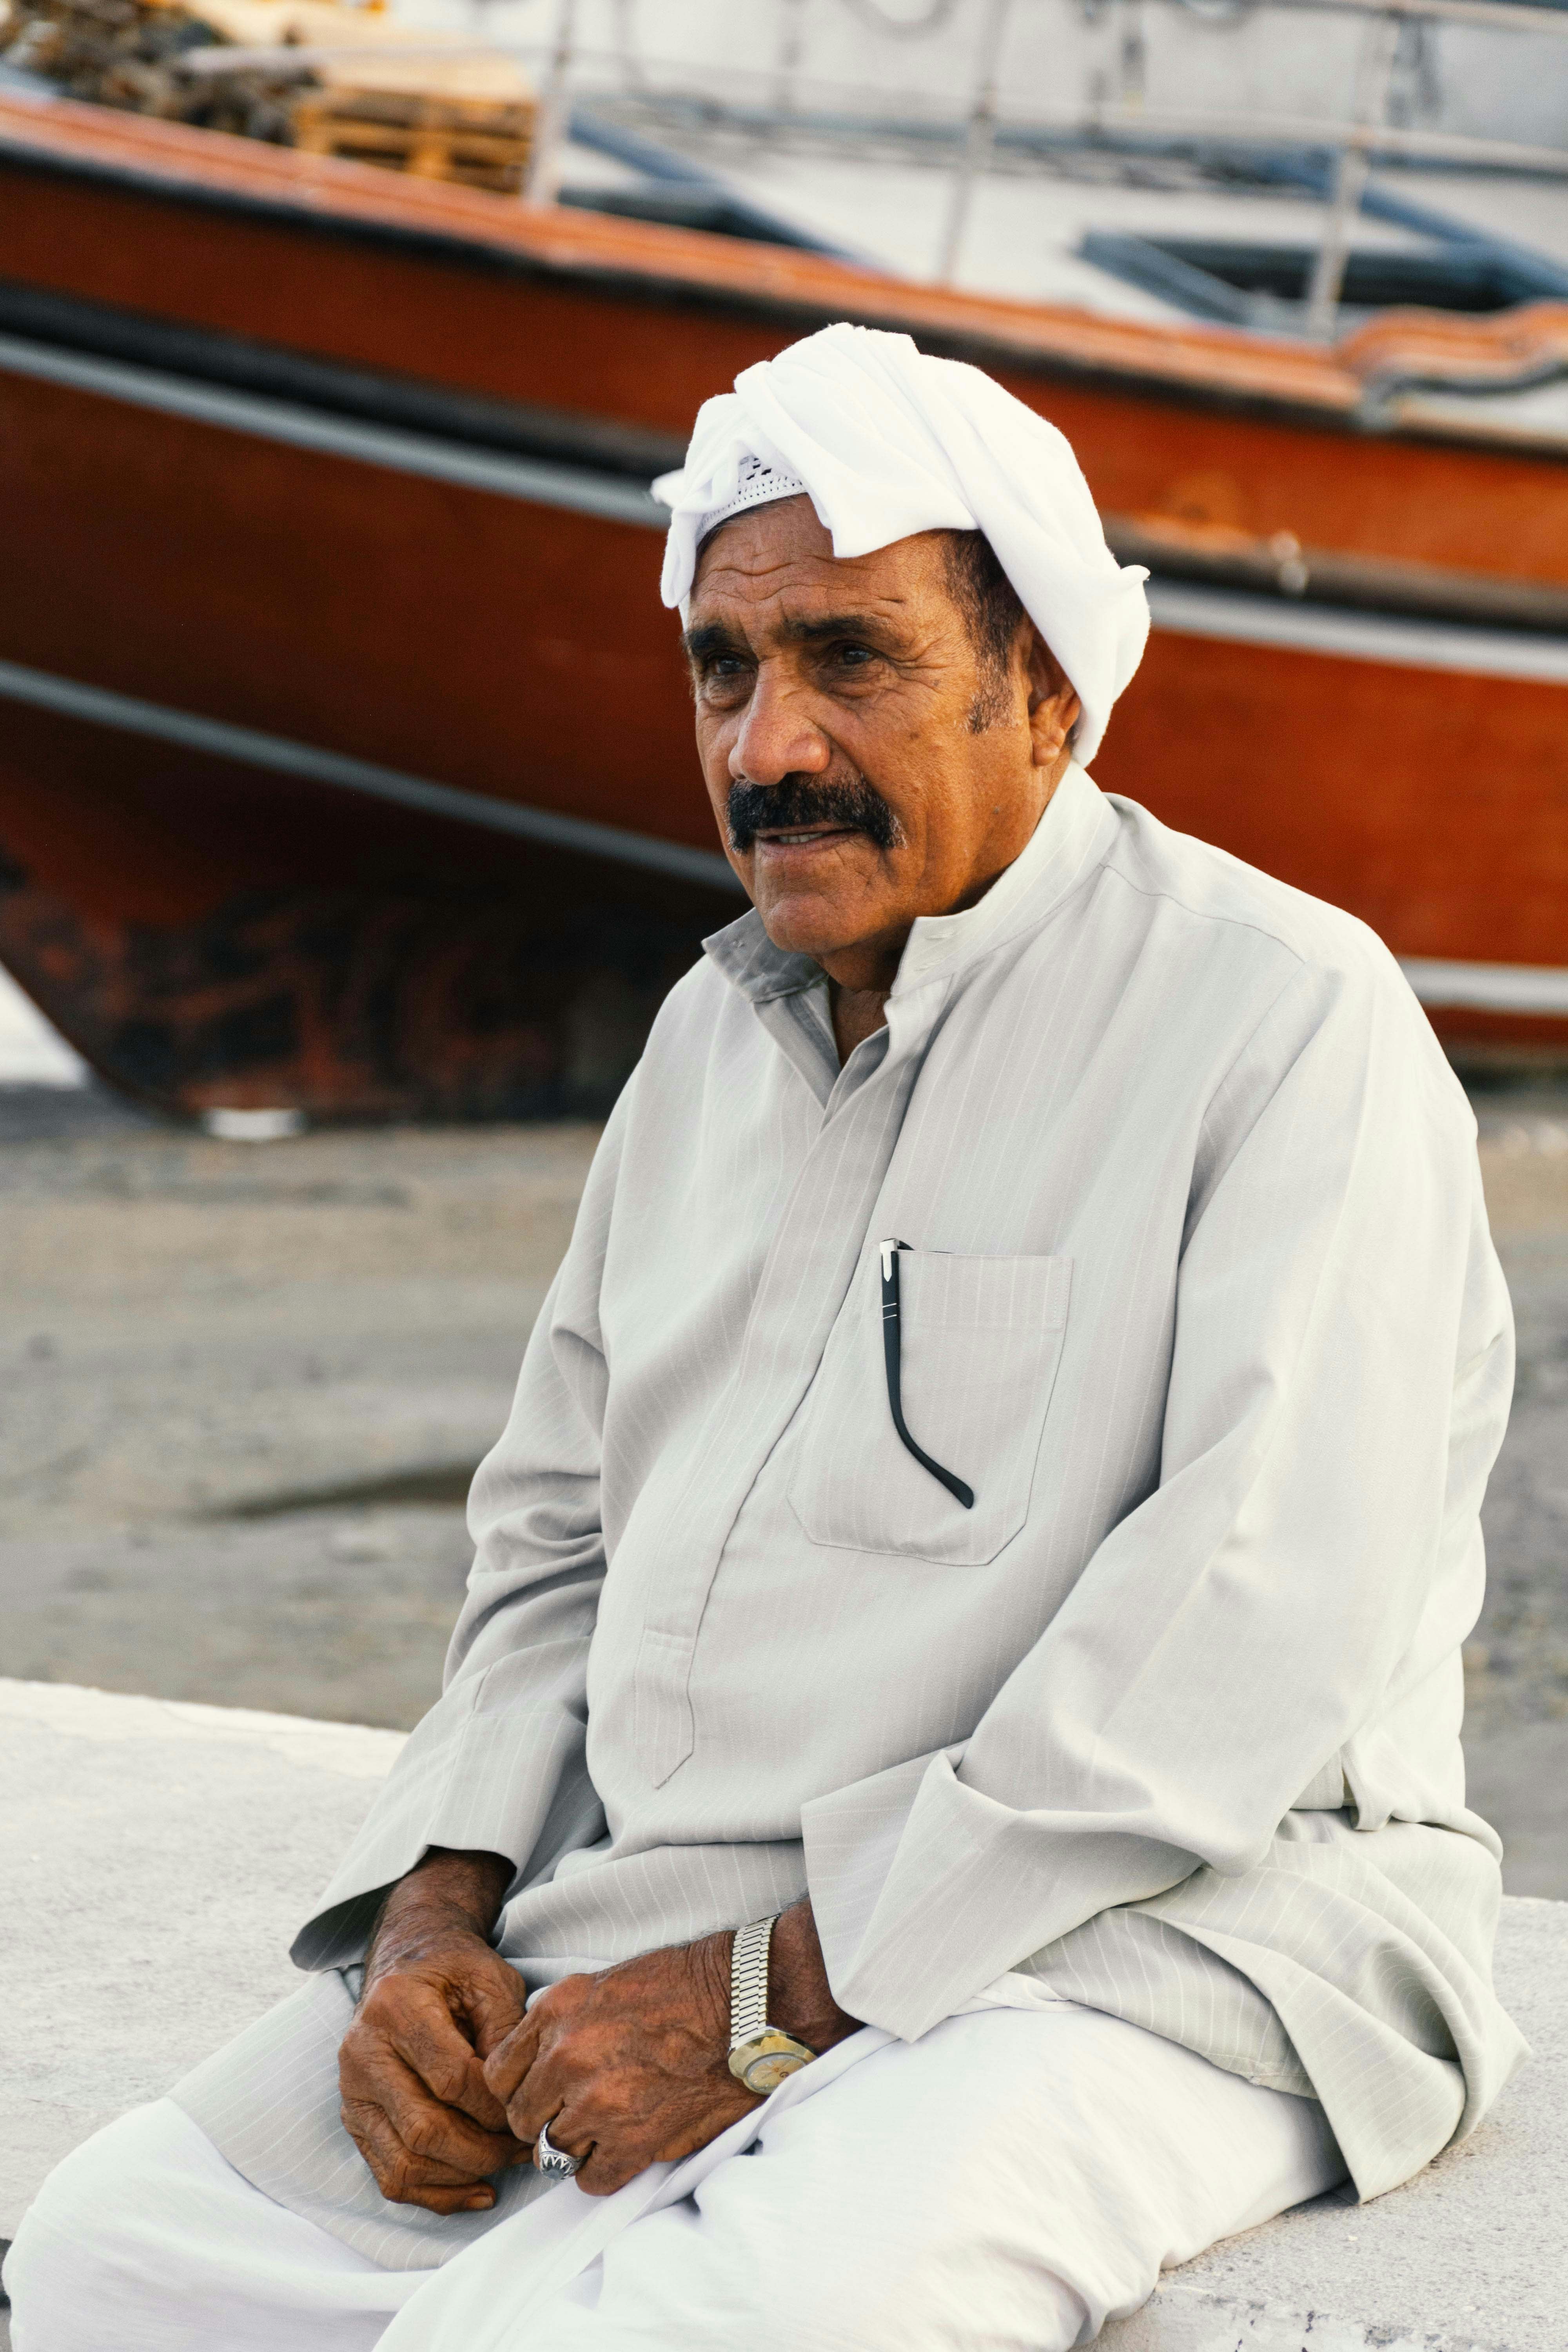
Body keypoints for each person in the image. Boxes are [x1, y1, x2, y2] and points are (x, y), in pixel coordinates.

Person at [5, 322, 1525, 2352]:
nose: (766, 745)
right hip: (678, 1920)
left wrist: (766, 1999)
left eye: (850, 658)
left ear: (1047, 688)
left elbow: (1243, 1645)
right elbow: (553, 1539)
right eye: (724, 669)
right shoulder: (706, 1041)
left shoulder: (1283, 1021)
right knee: (116, 2257)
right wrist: (435, 1909)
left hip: (1170, 1938)